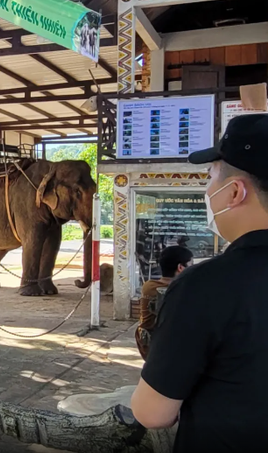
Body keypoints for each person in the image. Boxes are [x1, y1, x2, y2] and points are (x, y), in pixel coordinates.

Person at [130, 114, 268, 452]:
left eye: (210, 177)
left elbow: (153, 412)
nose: (208, 190)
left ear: (235, 191)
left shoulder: (204, 287)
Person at [134, 246, 193, 360]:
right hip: (169, 347)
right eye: (191, 265)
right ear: (180, 267)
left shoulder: (148, 286)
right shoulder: (184, 289)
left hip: (146, 344)